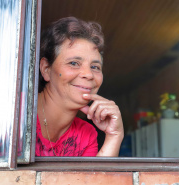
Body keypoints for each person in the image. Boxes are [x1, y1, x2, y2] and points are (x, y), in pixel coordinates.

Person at [36, 17, 124, 157]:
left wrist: (114, 135)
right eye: (74, 63)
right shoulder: (16, 115)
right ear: (46, 69)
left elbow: (94, 179)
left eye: (95, 67)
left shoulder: (86, 134)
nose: (88, 74)